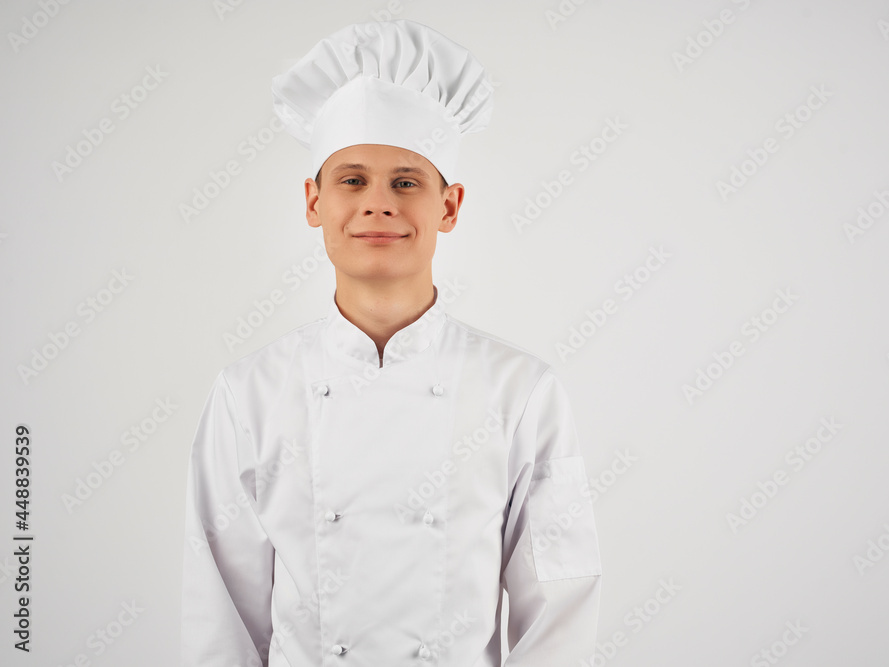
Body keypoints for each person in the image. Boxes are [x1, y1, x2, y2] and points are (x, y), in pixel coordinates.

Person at [181, 19, 602, 666]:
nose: (378, 204)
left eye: (406, 181)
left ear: (450, 205)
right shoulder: (249, 394)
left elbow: (561, 609)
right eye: (352, 180)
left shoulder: (522, 392)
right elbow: (220, 620)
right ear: (313, 200)